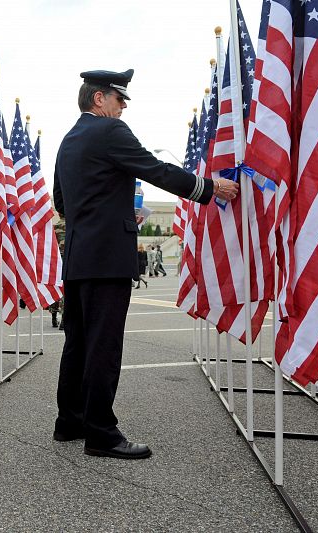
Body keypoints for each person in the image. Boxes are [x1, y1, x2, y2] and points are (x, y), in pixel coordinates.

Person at [52, 68, 238, 459]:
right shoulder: (110, 131)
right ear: (99, 98)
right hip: (108, 258)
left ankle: (70, 421)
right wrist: (209, 187)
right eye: (120, 100)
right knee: (104, 346)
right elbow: (154, 169)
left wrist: (110, 211)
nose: (123, 109)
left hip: (80, 256)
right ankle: (101, 433)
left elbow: (62, 204)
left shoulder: (68, 141)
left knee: (79, 343)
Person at [48, 215, 66, 328]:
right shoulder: (73, 225)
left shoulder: (54, 227)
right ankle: (64, 319)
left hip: (57, 260)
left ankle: (54, 317)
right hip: (69, 260)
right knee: (66, 290)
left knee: (55, 288)